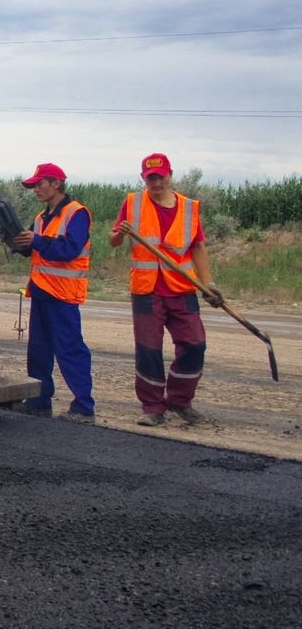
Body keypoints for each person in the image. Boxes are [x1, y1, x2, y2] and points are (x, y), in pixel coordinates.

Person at [109, 152, 222, 427]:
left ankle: (180, 401)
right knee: (148, 349)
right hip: (146, 290)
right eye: (150, 178)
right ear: (143, 178)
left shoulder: (189, 208)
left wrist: (208, 283)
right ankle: (153, 407)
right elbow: (113, 241)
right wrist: (120, 233)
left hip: (182, 288)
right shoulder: (132, 203)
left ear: (170, 175)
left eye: (160, 177)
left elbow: (197, 246)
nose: (156, 182)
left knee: (195, 344)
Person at [11, 163, 95, 422]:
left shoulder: (76, 213)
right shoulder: (40, 217)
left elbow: (69, 249)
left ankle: (83, 407)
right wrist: (17, 241)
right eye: (33, 185)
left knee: (69, 349)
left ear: (56, 183)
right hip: (42, 291)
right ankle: (39, 401)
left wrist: (35, 241)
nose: (35, 189)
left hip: (63, 294)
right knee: (38, 350)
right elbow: (35, 248)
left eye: (39, 184)